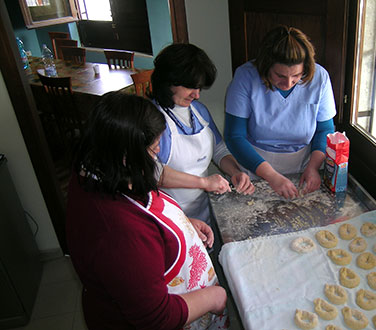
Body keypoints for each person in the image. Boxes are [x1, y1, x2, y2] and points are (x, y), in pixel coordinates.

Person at [66, 92, 229, 330]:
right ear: (125, 157)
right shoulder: (116, 231)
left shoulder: (98, 168)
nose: (156, 160)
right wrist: (215, 297)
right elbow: (156, 317)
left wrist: (181, 226)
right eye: (153, 151)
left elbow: (146, 214)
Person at [224, 25, 336, 199]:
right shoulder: (246, 77)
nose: (288, 83)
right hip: (256, 165)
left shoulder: (320, 77)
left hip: (304, 163)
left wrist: (313, 167)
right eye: (280, 76)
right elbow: (234, 136)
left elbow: (325, 129)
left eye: (296, 76)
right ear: (266, 67)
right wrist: (271, 176)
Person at [151, 43, 254, 225]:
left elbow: (219, 150)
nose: (197, 95)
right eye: (191, 87)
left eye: (199, 88)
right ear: (168, 81)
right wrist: (204, 182)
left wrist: (235, 172)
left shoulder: (199, 111)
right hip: (169, 218)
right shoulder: (151, 118)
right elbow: (153, 172)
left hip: (203, 211)